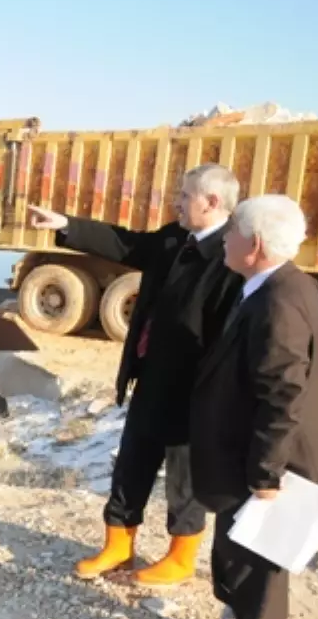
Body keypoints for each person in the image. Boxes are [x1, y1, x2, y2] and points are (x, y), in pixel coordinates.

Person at [28, 164, 243, 586]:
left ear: (212, 202)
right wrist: (66, 225)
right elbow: (126, 244)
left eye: (185, 196)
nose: (177, 202)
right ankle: (118, 546)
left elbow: (228, 339)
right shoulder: (174, 238)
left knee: (185, 477)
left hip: (193, 392)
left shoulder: (229, 258)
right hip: (151, 379)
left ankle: (180, 557)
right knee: (131, 462)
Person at [180, 194, 318, 619]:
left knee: (259, 560)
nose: (226, 237)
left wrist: (267, 473)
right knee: (233, 546)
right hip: (243, 453)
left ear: (256, 243)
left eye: (234, 231)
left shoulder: (279, 302)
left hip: (266, 461)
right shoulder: (274, 285)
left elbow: (283, 395)